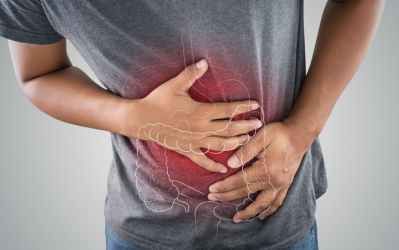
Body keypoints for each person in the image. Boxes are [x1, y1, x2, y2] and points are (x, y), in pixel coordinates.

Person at [0, 0, 384, 249]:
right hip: (142, 231)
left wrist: (303, 129)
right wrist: (133, 118)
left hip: (276, 227)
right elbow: (39, 75)